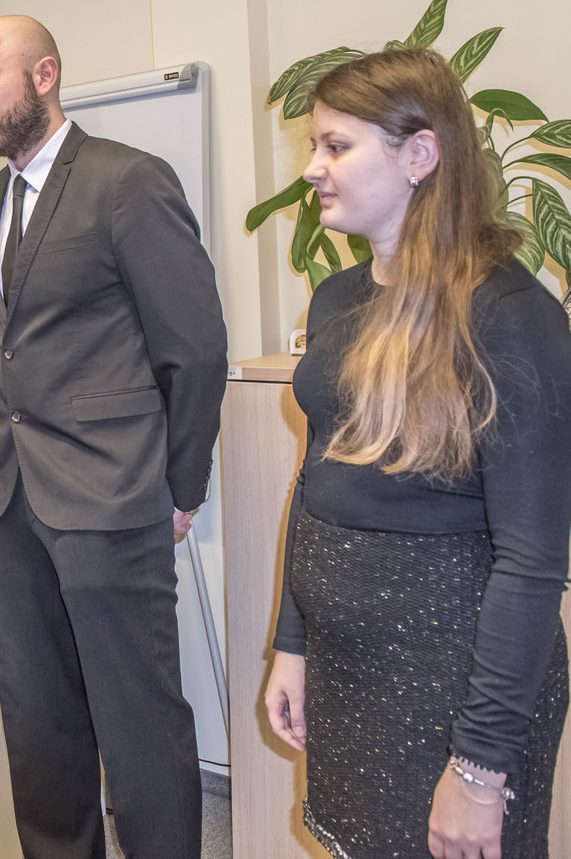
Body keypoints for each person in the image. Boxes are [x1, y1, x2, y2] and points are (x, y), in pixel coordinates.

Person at [264, 48, 571, 859]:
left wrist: (478, 770)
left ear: (420, 155)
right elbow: (317, 483)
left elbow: (533, 561)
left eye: (336, 146)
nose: (312, 169)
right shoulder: (337, 299)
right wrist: (293, 643)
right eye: (315, 145)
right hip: (347, 666)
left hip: (455, 685)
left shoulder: (512, 317)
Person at [0, 15, 227, 859]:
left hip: (113, 496)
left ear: (44, 75)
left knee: (139, 723)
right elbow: (24, 346)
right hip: (13, 502)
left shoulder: (127, 181)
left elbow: (193, 347)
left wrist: (180, 487)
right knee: (37, 724)